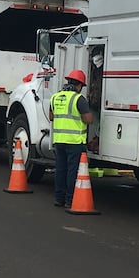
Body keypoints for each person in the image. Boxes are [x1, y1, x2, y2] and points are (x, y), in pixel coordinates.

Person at [48, 68, 94, 208]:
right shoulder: (79, 99)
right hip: (75, 142)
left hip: (59, 140)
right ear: (79, 85)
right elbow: (87, 119)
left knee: (60, 169)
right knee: (72, 171)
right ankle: (70, 200)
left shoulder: (55, 97)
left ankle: (59, 198)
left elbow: (51, 117)